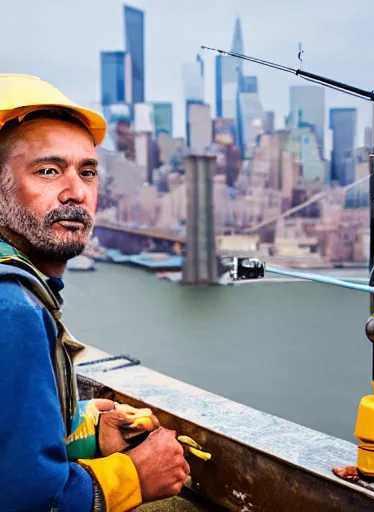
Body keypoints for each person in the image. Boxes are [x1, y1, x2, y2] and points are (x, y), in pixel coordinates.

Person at [0, 74, 190, 512]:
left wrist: (79, 428)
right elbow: (31, 503)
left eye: (87, 172)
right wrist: (137, 475)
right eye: (47, 171)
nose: (77, 192)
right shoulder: (12, 307)